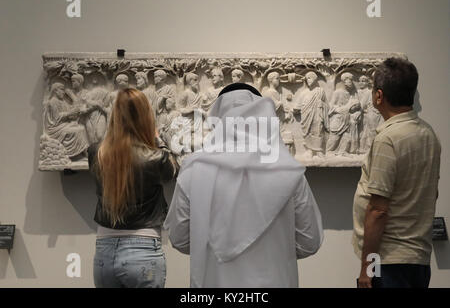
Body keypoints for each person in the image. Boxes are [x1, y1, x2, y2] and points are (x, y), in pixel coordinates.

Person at [164, 83, 323, 287]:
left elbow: (180, 240)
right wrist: (275, 252)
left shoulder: (193, 172)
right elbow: (309, 242)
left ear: (218, 119)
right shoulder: (289, 171)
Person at [352, 58, 441, 288]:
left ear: (378, 96)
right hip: (417, 259)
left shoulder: (388, 139)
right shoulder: (428, 134)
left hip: (389, 261)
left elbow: (378, 210)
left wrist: (367, 268)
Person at [88, 88, 178, 288]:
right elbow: (171, 172)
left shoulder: (97, 153)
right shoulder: (156, 157)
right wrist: (158, 140)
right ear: (146, 117)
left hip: (104, 249)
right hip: (143, 248)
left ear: (114, 116)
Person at [327, 72, 362, 155]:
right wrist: (338, 109)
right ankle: (329, 152)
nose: (350, 82)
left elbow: (358, 106)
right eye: (347, 80)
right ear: (343, 82)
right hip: (338, 119)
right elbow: (331, 106)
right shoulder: (338, 92)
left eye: (351, 80)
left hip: (348, 119)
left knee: (347, 137)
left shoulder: (352, 94)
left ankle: (342, 152)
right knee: (334, 139)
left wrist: (358, 112)